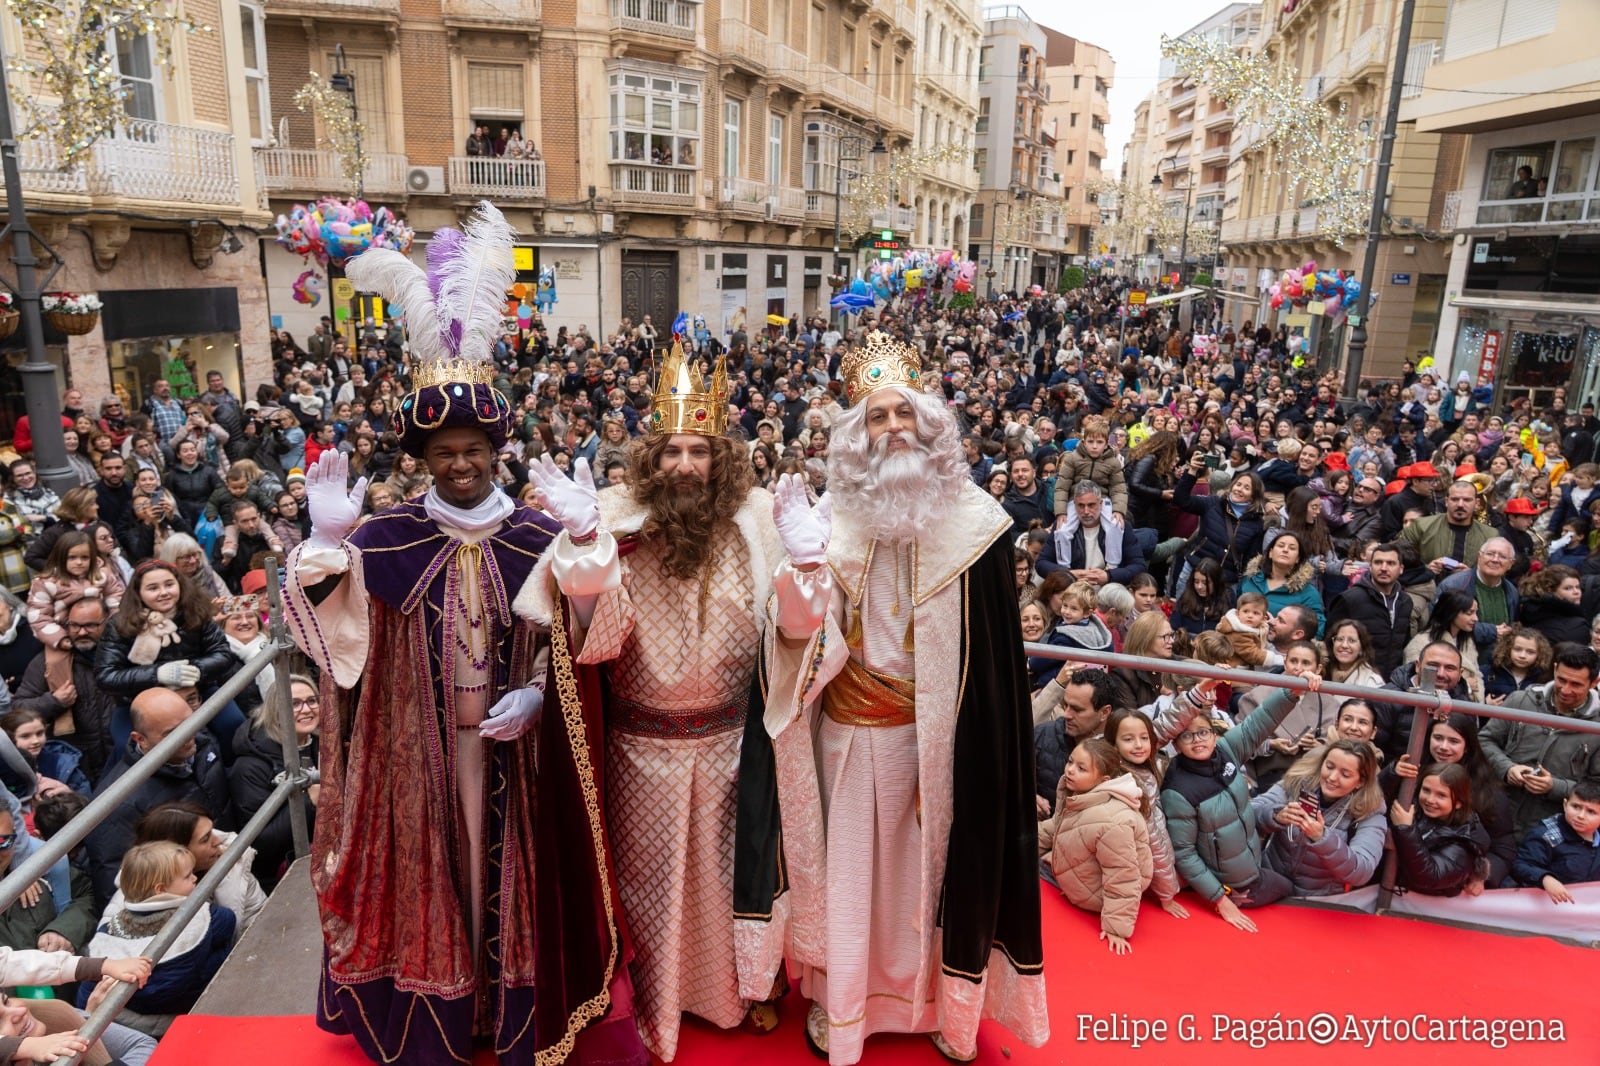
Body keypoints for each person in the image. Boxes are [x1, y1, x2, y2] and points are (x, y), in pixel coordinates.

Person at [284, 204, 643, 1066]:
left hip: (519, 751)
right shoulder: (386, 537)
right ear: (422, 457)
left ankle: (510, 1019)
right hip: (419, 753)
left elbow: (601, 634)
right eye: (442, 451)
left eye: (472, 448)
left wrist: (545, 679)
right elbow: (324, 637)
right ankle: (439, 1021)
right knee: (435, 877)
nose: (459, 463)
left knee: (511, 879)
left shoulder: (536, 535)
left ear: (495, 450)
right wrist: (328, 546)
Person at [734, 331, 1046, 1064]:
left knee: (934, 879)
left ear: (931, 426)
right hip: (849, 737)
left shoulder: (981, 528)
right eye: (876, 419)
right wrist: (805, 574)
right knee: (850, 877)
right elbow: (793, 644)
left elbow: (995, 663)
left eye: (903, 415)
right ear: (855, 438)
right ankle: (844, 1011)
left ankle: (942, 1008)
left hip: (945, 744)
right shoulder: (829, 523)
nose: (893, 429)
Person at [519, 342, 784, 1059]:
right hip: (643, 752)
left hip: (733, 747)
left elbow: (789, 631)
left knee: (731, 879)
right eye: (670, 451)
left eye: (699, 450)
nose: (685, 466)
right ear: (650, 458)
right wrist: (584, 549)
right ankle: (649, 1007)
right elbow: (591, 643)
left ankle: (734, 990)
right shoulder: (614, 525)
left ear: (721, 456)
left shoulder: (758, 528)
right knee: (647, 889)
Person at [1161, 673, 1323, 932]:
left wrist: (1291, 690)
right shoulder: (1178, 789)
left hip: (1252, 862)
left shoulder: (1226, 751)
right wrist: (1220, 899)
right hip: (1233, 885)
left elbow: (1259, 723)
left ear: (1214, 734)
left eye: (1203, 732)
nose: (1198, 740)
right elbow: (1184, 854)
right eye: (1187, 736)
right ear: (1177, 745)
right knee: (1290, 889)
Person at [80, 841, 235, 1033]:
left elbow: (87, 991)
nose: (195, 878)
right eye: (187, 876)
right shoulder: (205, 917)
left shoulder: (109, 928)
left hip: (123, 1021)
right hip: (174, 1013)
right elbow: (228, 923)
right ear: (161, 889)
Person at [1382, 713, 1518, 890]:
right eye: (1438, 738)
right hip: (1392, 878)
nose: (1443, 747)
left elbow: (1503, 845)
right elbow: (1372, 799)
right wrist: (1390, 774)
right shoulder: (1408, 768)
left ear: (1467, 746)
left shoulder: (1487, 790)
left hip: (1446, 882)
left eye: (1453, 741)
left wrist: (1482, 876)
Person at [1042, 739, 1153, 955]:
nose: (1071, 770)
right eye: (1070, 762)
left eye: (1081, 768)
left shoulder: (1112, 820)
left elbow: (1122, 875)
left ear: (1103, 779)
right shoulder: (1079, 793)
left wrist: (1116, 928)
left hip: (1098, 898)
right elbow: (1057, 827)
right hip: (1074, 883)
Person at [1480, 642, 1600, 838]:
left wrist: (1554, 786)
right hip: (1497, 811)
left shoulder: (1597, 726)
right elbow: (1485, 740)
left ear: (1594, 683)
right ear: (1554, 669)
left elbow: (1597, 787)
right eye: (1561, 679)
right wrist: (1507, 768)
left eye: (1576, 684)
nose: (1565, 689)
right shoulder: (1520, 700)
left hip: (1551, 831)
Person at [1250, 740, 1387, 896]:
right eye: (1329, 767)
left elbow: (1362, 870)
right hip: (1269, 883)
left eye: (1345, 774)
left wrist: (1322, 838)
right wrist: (1275, 815)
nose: (1332, 777)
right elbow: (1249, 812)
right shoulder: (1299, 781)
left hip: (1319, 901)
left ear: (1360, 782)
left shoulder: (1370, 811)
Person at [229, 675, 319, 887]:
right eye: (294, 704)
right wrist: (308, 802)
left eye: (312, 700)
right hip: (283, 875)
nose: (306, 709)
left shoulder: (324, 744)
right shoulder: (250, 767)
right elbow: (259, 844)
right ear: (276, 711)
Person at [1389, 763, 1490, 898]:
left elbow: (1429, 876)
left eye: (1441, 795)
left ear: (1459, 802)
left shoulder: (1466, 841)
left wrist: (1406, 830)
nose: (1430, 800)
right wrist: (1392, 772)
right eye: (1426, 790)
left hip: (1424, 907)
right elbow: (1375, 796)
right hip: (1392, 892)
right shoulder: (1412, 807)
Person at [1036, 480, 1146, 586]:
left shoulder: (1120, 526)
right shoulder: (1062, 526)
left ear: (1101, 503)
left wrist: (1109, 576)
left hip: (1109, 589)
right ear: (1074, 505)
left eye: (1091, 505)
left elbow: (1139, 566)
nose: (1086, 511)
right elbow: (1041, 563)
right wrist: (1069, 574)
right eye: (1081, 506)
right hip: (1072, 588)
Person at [1506, 779, 1600, 900]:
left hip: (1587, 910)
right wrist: (1544, 878)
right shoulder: (1545, 835)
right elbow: (1519, 865)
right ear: (1565, 805)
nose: (1581, 816)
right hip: (1546, 908)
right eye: (1576, 807)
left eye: (1591, 812)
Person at [1240, 530, 1325, 638]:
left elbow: (1317, 630)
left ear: (1298, 558)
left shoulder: (1308, 592)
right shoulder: (1250, 579)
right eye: (1281, 546)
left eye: (1292, 548)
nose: (1285, 550)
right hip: (1243, 643)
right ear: (1270, 552)